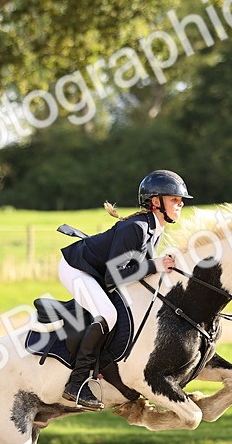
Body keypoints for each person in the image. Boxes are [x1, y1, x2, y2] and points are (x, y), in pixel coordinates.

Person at [57, 169, 192, 411]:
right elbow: (114, 275)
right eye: (174, 199)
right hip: (77, 269)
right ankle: (76, 383)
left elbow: (137, 270)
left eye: (180, 200)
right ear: (155, 202)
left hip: (96, 271)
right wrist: (155, 265)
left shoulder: (155, 229)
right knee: (108, 314)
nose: (180, 204)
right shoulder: (137, 227)